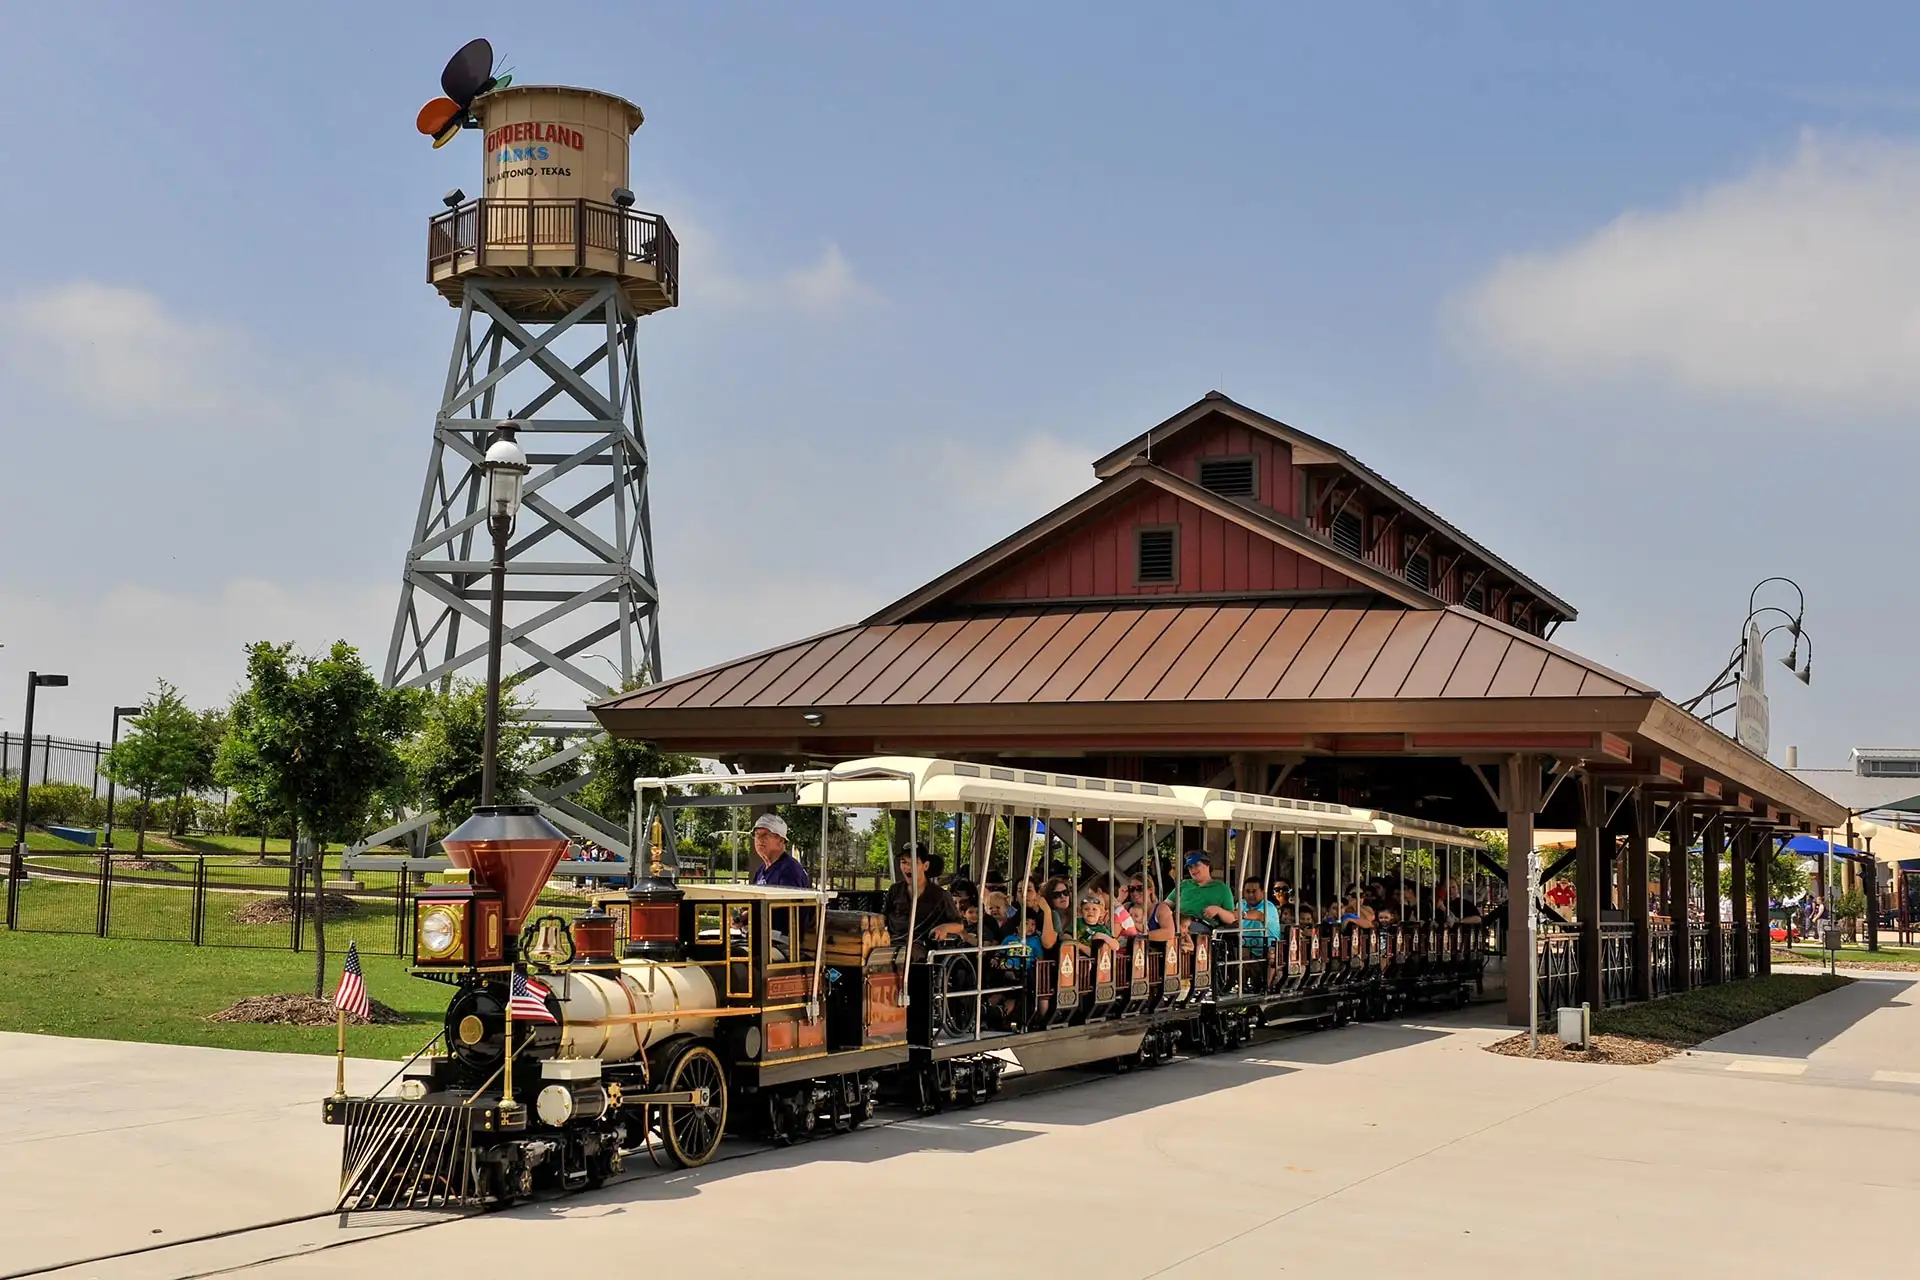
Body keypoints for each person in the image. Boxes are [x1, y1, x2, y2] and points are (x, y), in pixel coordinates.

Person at [884, 848, 964, 953]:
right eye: (904, 862)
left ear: (925, 866)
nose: (907, 867)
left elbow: (959, 925)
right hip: (891, 942)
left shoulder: (941, 895)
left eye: (913, 863)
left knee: (905, 956)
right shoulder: (895, 890)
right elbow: (884, 916)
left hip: (921, 946)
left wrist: (945, 927)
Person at [1174, 852, 1238, 935]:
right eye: (1190, 867)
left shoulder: (1221, 888)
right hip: (1177, 923)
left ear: (1207, 865)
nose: (1193, 870)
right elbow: (1166, 905)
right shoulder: (1184, 884)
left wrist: (1218, 910)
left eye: (1196, 865)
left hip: (1200, 926)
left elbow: (1232, 919)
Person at [747, 814, 811, 888]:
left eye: (765, 835)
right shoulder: (761, 870)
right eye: (757, 834)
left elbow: (785, 899)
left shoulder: (789, 871)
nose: (759, 839)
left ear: (781, 840)